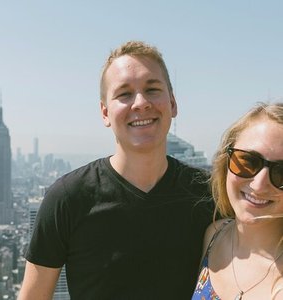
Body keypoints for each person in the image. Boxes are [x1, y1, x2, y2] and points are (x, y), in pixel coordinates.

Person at [18, 40, 214, 300]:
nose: (141, 103)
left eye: (152, 89)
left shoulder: (208, 194)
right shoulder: (67, 198)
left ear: (173, 103)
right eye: (124, 94)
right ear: (105, 113)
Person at [192, 102, 283, 299]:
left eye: (281, 172)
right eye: (248, 161)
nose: (259, 184)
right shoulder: (214, 235)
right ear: (226, 163)